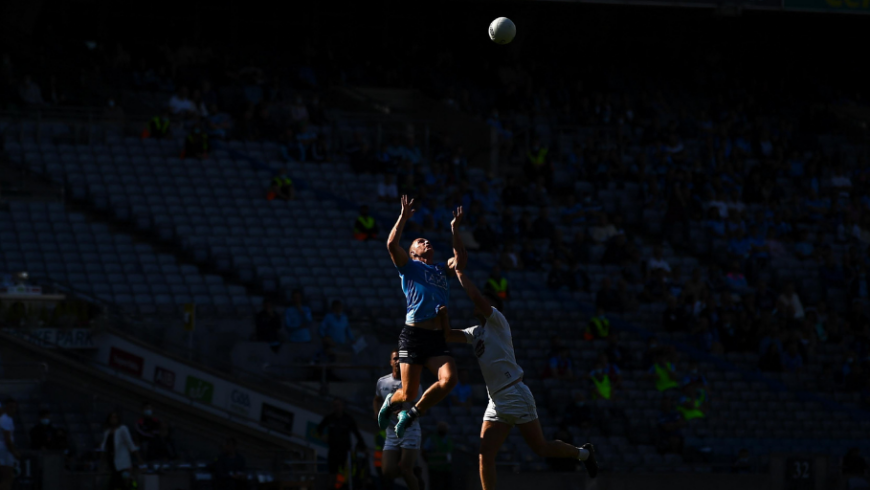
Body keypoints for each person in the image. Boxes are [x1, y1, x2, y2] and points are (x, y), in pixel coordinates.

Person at [442, 270, 597, 489]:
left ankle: (583, 453)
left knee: (541, 448)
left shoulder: (497, 321)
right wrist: (441, 313)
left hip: (514, 393)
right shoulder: (476, 332)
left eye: (487, 300)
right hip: (495, 400)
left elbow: (476, 296)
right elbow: (447, 335)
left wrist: (459, 271)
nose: (480, 302)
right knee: (484, 454)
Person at [379, 195, 467, 438]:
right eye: (420, 241)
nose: (425, 241)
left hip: (436, 337)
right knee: (407, 393)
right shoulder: (408, 267)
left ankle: (413, 413)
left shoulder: (440, 269)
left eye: (426, 240)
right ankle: (392, 402)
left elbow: (461, 260)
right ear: (413, 252)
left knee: (449, 380)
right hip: (413, 337)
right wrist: (403, 217)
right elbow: (391, 245)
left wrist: (454, 230)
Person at [373, 350, 421, 490]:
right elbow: (376, 399)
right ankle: (414, 472)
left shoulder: (413, 382)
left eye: (401, 358)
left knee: (406, 470)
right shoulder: (382, 382)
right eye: (395, 358)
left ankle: (412, 476)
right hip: (391, 432)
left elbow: (423, 408)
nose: (398, 361)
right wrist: (376, 411)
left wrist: (407, 413)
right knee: (387, 471)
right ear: (390, 362)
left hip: (409, 429)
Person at [316, 399, 365, 488]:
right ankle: (331, 487)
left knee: (344, 473)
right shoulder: (330, 418)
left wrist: (362, 446)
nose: (337, 408)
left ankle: (342, 487)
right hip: (333, 450)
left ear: (342, 406)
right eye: (335, 405)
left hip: (345, 451)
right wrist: (322, 436)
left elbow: (357, 433)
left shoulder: (348, 419)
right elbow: (319, 428)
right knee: (332, 472)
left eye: (338, 405)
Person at [100, 411, 144, 490]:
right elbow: (104, 448)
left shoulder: (122, 429)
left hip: (123, 464)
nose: (114, 419)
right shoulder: (107, 432)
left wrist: (139, 459)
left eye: (115, 417)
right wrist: (102, 463)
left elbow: (130, 444)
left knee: (123, 484)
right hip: (112, 463)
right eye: (112, 417)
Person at [422, 421, 454, 490]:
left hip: (446, 469)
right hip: (434, 469)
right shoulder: (432, 439)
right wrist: (428, 461)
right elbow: (424, 451)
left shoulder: (448, 439)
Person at [0, 400, 19, 490]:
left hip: (5, 450)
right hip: (4, 451)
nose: (12, 410)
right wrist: (14, 452)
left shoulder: (9, 419)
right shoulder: (5, 419)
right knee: (7, 477)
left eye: (14, 407)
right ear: (6, 408)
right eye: (10, 407)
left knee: (8, 477)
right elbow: (7, 439)